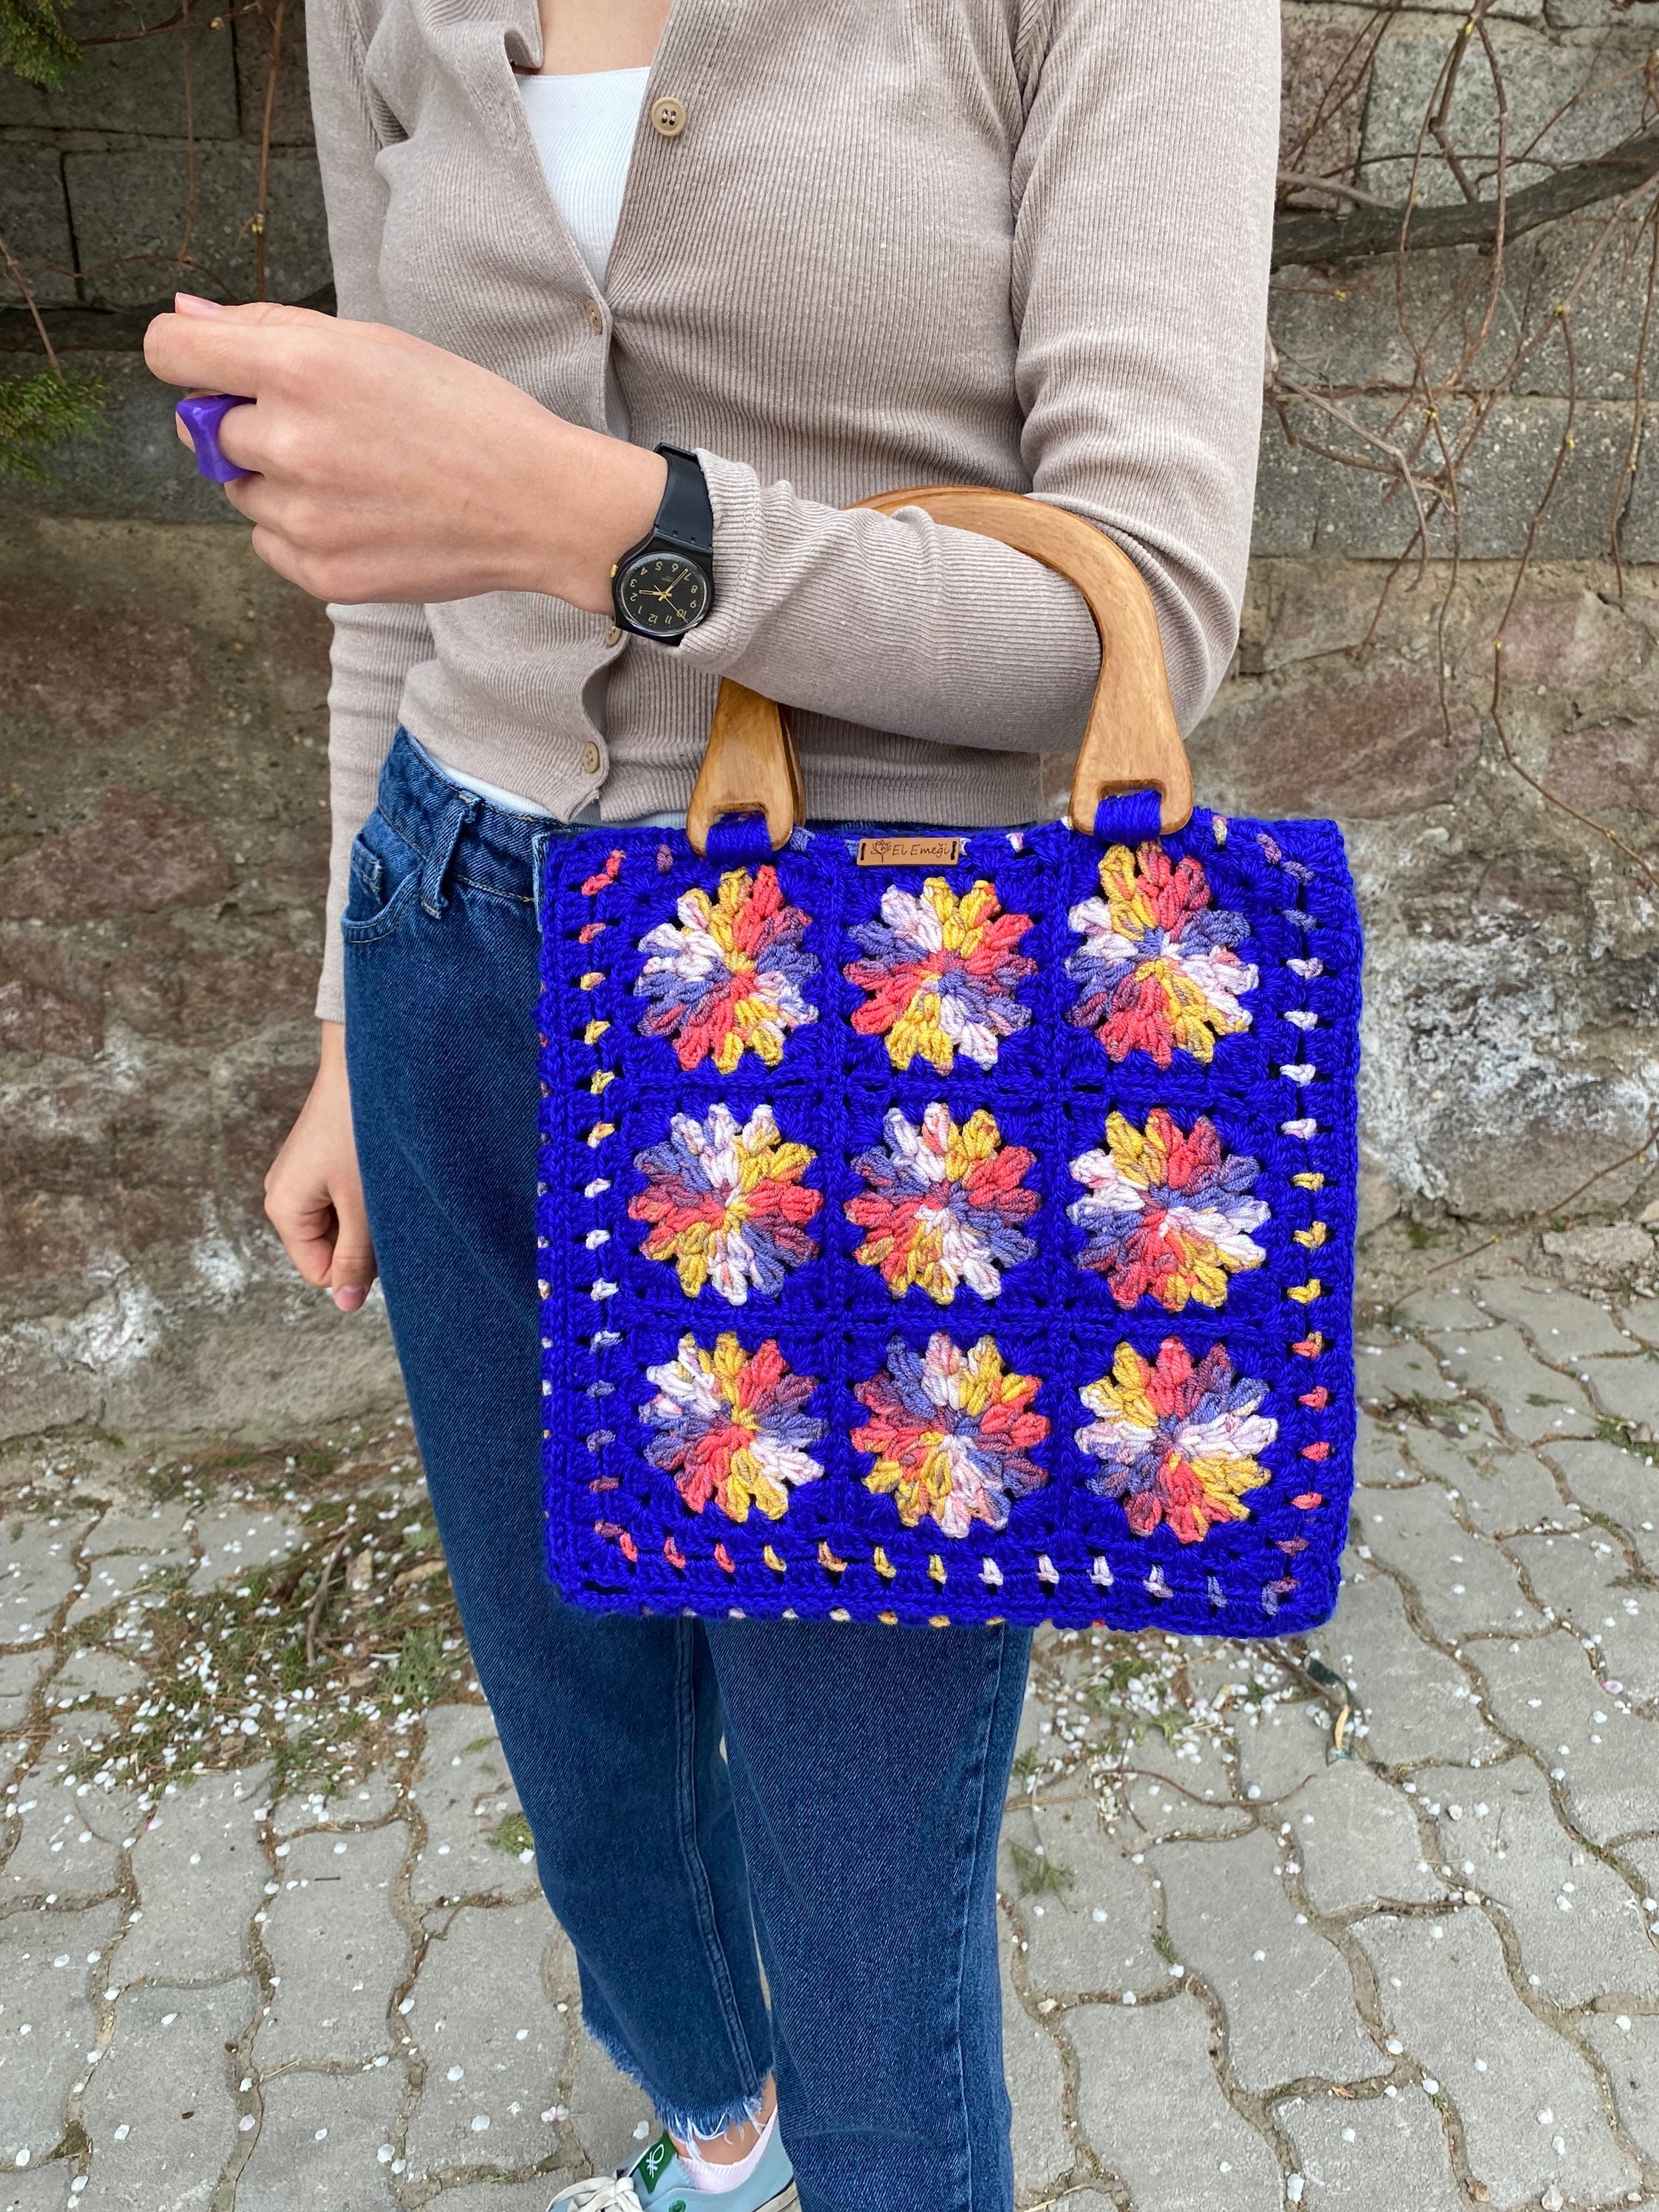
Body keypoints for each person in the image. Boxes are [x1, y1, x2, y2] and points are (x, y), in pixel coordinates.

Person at [144, 0, 1277, 2202]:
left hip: (881, 1041)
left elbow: (1136, 611)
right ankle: (715, 2139)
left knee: (862, 1883)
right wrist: (339, 1032)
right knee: (580, 1730)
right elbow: (391, 575)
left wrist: (607, 522)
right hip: (454, 947)